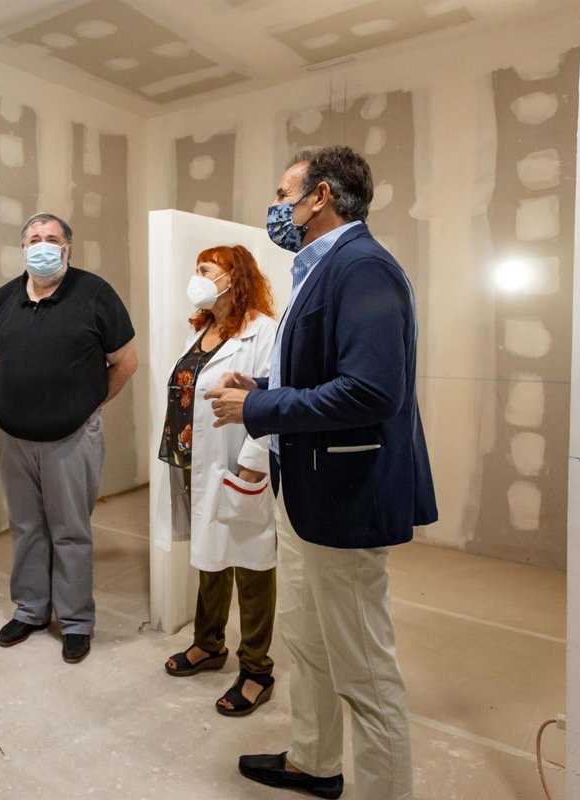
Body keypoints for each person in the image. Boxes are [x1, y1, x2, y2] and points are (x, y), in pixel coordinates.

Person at [204, 146, 437, 800]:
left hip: (344, 497)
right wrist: (264, 386)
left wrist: (259, 408)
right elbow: (326, 374)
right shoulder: (321, 268)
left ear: (321, 196)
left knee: (364, 670)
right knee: (307, 641)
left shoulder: (362, 267)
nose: (276, 207)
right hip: (305, 492)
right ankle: (313, 761)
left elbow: (371, 391)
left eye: (284, 195)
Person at [0, 212, 137, 664]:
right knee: (27, 527)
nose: (43, 245)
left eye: (52, 238)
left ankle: (75, 621)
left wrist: (88, 404)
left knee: (70, 530)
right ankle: (30, 610)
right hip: (13, 437)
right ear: (23, 249)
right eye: (34, 239)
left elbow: (125, 361)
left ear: (68, 247)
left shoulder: (95, 293)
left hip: (72, 437)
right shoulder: (4, 298)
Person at [158, 246, 278, 718]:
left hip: (237, 463)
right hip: (194, 459)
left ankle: (257, 670)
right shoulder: (202, 330)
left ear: (233, 276)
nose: (198, 277)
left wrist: (252, 466)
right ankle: (209, 644)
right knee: (210, 556)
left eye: (205, 269)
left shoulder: (262, 331)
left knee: (251, 564)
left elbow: (271, 401)